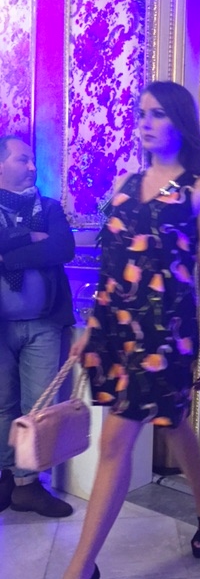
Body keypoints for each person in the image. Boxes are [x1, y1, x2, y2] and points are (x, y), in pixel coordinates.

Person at [35, 81, 200, 579]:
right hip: (116, 330)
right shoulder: (125, 185)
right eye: (141, 113)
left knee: (116, 442)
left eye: (158, 114)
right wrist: (88, 327)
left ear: (180, 122)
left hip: (166, 336)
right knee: (175, 422)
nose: (144, 122)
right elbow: (110, 265)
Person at [0, 135, 75, 518]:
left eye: (32, 160)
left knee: (37, 409)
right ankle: (6, 478)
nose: (32, 167)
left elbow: (62, 248)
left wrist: (8, 257)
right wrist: (27, 237)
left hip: (44, 325)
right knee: (2, 406)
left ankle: (28, 486)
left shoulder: (49, 207)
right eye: (22, 159)